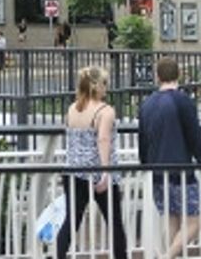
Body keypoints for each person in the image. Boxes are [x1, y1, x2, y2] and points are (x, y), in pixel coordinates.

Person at [139, 57, 201, 257]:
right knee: (193, 223)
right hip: (181, 172)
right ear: (178, 74)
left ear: (157, 76)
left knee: (171, 221)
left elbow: (143, 142)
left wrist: (146, 167)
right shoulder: (182, 101)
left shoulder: (147, 105)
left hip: (157, 173)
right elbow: (195, 138)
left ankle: (168, 254)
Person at [55, 65, 128, 259]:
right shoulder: (105, 111)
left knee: (71, 221)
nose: (107, 87)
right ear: (96, 86)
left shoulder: (72, 109)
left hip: (73, 171)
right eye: (104, 83)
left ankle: (58, 255)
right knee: (114, 222)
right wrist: (106, 172)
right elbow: (103, 140)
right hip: (97, 174)